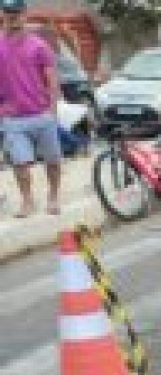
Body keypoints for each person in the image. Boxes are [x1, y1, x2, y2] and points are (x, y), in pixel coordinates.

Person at [0, 0, 62, 218]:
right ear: (2, 14)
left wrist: (52, 111)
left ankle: (53, 197)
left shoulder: (39, 45)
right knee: (20, 163)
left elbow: (52, 79)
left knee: (52, 161)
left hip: (41, 114)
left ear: (24, 14)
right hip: (12, 118)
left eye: (16, 12)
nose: (12, 16)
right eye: (8, 12)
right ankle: (27, 201)